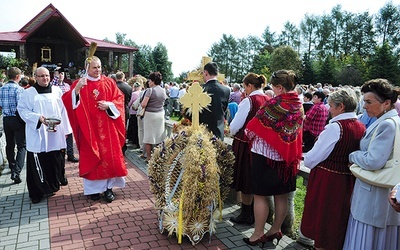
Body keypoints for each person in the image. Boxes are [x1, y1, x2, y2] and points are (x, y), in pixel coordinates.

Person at [243, 70, 304, 247]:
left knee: (260, 195)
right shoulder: (298, 104)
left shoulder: (275, 104)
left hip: (265, 157)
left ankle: (258, 233)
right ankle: (275, 229)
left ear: (279, 87)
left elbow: (252, 127)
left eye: (274, 87)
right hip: (286, 159)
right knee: (281, 195)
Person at [300, 89, 366, 250]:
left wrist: (306, 160)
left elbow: (314, 156)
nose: (328, 109)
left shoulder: (336, 127)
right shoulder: (360, 126)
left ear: (341, 106)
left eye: (330, 106)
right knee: (337, 219)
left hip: (328, 179)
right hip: (346, 178)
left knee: (323, 217)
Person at [343, 78, 400, 249]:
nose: (365, 106)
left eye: (369, 101)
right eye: (364, 101)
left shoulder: (387, 125)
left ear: (386, 103)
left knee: (367, 241)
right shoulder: (386, 121)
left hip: (374, 197)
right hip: (376, 195)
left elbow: (373, 161)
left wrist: (353, 156)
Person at [62, 56, 128, 203]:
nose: (98, 70)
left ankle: (109, 188)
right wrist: (77, 90)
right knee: (92, 157)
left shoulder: (109, 82)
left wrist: (109, 105)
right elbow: (68, 101)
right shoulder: (80, 83)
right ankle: (94, 190)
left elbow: (119, 99)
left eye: (99, 67)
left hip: (108, 129)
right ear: (87, 68)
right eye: (94, 67)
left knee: (109, 159)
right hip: (89, 129)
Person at [17, 66, 72, 203]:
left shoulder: (57, 91)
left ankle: (53, 185)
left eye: (47, 75)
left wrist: (65, 131)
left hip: (55, 132)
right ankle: (37, 192)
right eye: (41, 76)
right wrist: (37, 118)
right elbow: (22, 110)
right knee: (38, 162)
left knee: (55, 158)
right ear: (35, 77)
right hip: (38, 133)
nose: (45, 78)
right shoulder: (28, 93)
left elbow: (63, 111)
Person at [229, 73, 269, 225]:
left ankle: (246, 214)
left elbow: (235, 125)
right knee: (255, 180)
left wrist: (231, 131)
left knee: (245, 180)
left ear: (250, 86)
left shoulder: (249, 101)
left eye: (245, 86)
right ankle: (252, 214)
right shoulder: (268, 99)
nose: (244, 90)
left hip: (246, 144)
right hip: (262, 146)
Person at [0, 67, 26, 184]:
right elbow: (21, 107)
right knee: (22, 146)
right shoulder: (19, 89)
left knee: (10, 144)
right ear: (17, 77)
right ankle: (17, 171)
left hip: (6, 119)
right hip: (17, 119)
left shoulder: (2, 88)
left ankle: (11, 165)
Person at [52, 67, 79, 164]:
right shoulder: (53, 86)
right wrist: (56, 75)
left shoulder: (67, 85)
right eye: (59, 74)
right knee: (59, 134)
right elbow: (53, 85)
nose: (61, 76)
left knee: (69, 133)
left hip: (67, 112)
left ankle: (70, 154)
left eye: (62, 74)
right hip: (57, 113)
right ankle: (59, 154)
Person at [199, 62, 230, 140]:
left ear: (206, 73)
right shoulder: (226, 90)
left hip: (204, 132)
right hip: (219, 132)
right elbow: (224, 110)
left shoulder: (201, 89)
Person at [140, 72, 167, 162]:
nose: (148, 82)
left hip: (150, 115)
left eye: (150, 81)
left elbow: (144, 104)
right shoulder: (163, 90)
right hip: (160, 114)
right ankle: (158, 156)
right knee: (159, 136)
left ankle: (148, 157)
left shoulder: (150, 90)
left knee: (148, 137)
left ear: (153, 81)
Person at [115, 71, 132, 154]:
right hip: (125, 109)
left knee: (114, 129)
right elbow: (130, 99)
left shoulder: (113, 86)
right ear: (123, 77)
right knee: (123, 129)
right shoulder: (129, 87)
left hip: (114, 109)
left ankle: (115, 146)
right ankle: (123, 147)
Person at [127, 81, 142, 148]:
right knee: (138, 127)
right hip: (139, 112)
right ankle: (137, 141)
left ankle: (133, 140)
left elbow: (130, 103)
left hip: (133, 112)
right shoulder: (142, 93)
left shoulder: (134, 94)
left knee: (133, 127)